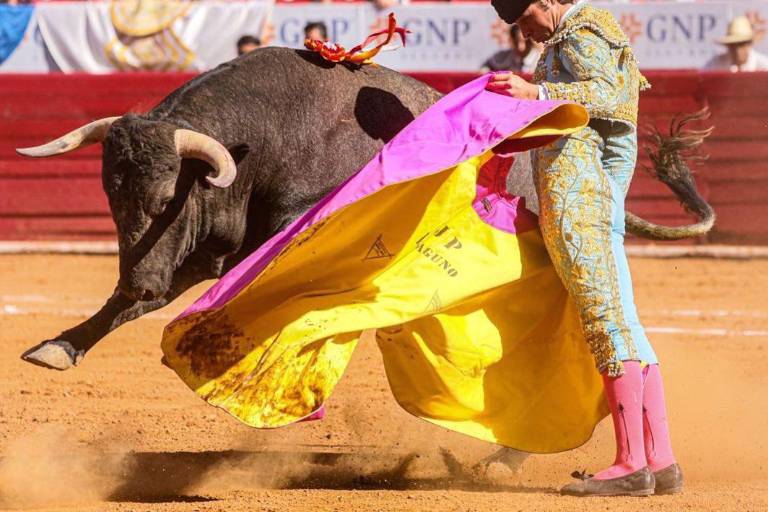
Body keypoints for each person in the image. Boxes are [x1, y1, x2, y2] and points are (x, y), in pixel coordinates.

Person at [487, 0, 682, 497]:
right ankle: (658, 460)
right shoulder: (571, 34)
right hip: (588, 191)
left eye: (525, 17)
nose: (524, 32)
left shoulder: (581, 29)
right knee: (624, 322)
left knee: (606, 321)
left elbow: (610, 94)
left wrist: (537, 91)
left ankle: (631, 464)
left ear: (548, 2)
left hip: (580, 193)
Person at [704, 15, 768, 72]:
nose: (737, 50)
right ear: (727, 46)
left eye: (741, 45)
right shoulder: (716, 64)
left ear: (749, 44)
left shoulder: (764, 66)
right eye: (733, 45)